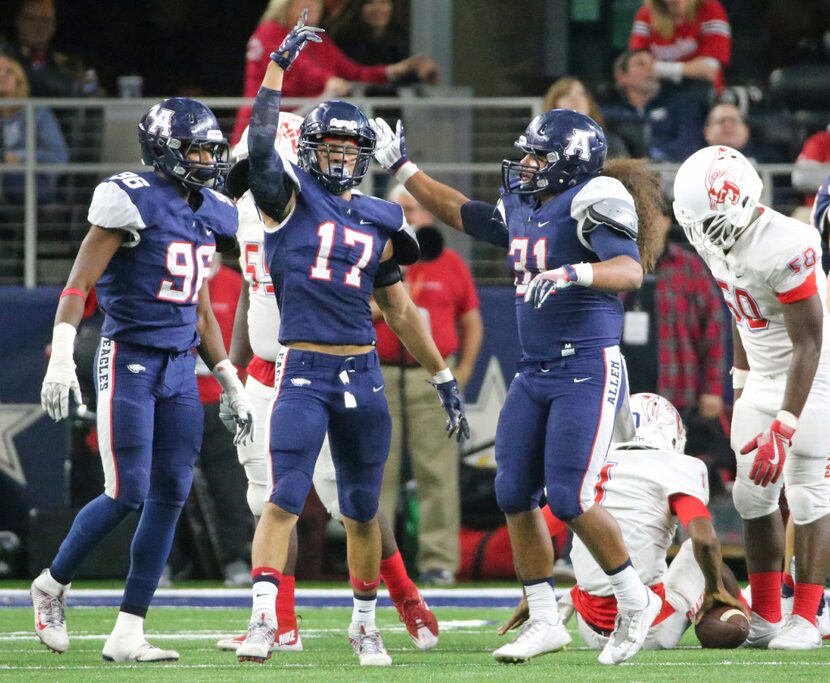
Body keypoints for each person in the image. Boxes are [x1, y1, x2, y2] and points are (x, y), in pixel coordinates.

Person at [369, 107, 668, 666]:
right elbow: (461, 211)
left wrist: (573, 272)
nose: (525, 165)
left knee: (572, 496)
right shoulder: (528, 204)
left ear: (569, 163)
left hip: (586, 365)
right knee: (512, 493)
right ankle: (545, 618)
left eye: (537, 156)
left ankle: (635, 597)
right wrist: (405, 169)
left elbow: (628, 270)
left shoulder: (595, 196)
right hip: (535, 370)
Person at [233, 13, 468, 667]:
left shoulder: (380, 215)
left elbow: (399, 308)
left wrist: (442, 375)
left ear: (363, 157)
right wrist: (276, 69)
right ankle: (262, 620)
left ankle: (365, 623)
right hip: (302, 366)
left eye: (349, 149)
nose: (339, 156)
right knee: (283, 496)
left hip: (362, 372)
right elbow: (258, 147)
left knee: (363, 509)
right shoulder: (286, 198)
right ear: (310, 149)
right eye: (329, 146)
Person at [31, 97, 253, 662]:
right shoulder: (129, 197)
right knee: (126, 490)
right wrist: (61, 356)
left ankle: (129, 630)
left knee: (171, 494)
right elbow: (79, 283)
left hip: (181, 367)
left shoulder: (208, 210)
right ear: (164, 150)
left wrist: (227, 376)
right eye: (197, 149)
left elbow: (201, 308)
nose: (208, 159)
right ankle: (52, 585)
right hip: (128, 354)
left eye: (211, 148)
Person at [214, 113, 440, 653]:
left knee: (352, 499)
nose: (252, 173)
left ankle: (403, 594)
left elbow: (389, 299)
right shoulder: (245, 213)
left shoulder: (322, 211)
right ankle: (279, 620)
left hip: (317, 364)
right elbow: (252, 291)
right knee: (268, 498)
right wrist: (233, 374)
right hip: (266, 370)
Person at [673, 144, 830, 650]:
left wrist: (784, 425)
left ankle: (805, 616)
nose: (704, 235)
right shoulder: (714, 235)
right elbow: (739, 309)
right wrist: (741, 383)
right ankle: (764, 614)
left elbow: (810, 340)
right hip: (762, 374)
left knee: (807, 492)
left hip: (816, 371)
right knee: (750, 494)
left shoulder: (789, 241)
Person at [499, 393, 747, 650]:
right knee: (697, 555)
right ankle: (745, 612)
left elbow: (530, 534)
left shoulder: (588, 468)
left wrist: (533, 592)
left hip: (589, 628)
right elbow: (704, 541)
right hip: (650, 629)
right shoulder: (677, 467)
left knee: (598, 555)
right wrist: (714, 588)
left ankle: (566, 603)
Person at [376, 186, 483, 586]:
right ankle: (376, 561)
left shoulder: (450, 262)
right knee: (377, 471)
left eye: (419, 210)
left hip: (434, 377)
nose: (413, 217)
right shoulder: (375, 252)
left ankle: (438, 560)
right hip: (382, 372)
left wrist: (465, 370)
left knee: (437, 471)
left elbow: (471, 319)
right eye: (404, 209)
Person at [617, 188, 727, 482]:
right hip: (620, 390)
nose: (648, 225)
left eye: (655, 217)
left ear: (668, 221)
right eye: (641, 218)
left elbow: (714, 329)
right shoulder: (614, 263)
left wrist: (712, 389)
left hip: (675, 388)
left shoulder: (688, 267)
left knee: (671, 471)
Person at [230, 0, 439, 143]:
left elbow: (353, 73)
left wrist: (395, 70)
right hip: (264, 127)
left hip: (299, 129)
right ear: (285, 5)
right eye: (303, 1)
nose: (310, 6)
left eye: (315, 1)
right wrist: (328, 81)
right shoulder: (270, 31)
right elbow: (293, 65)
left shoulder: (318, 40)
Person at [191, 255, 252, 587]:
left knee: (229, 484)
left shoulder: (235, 283)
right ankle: (168, 561)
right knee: (168, 485)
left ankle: (236, 558)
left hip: (223, 399)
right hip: (179, 396)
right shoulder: (176, 277)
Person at [601, 49, 707, 162]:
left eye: (653, 64)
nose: (650, 69)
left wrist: (655, 156)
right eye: (640, 64)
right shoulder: (609, 114)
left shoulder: (681, 105)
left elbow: (689, 143)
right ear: (621, 77)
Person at [0, 53, 68, 204]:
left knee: (11, 178)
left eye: (8, 71)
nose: (2, 76)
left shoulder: (37, 113)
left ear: (18, 80)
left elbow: (58, 158)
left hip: (33, 182)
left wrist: (20, 157)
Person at [0, 0, 101, 97]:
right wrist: (70, 85)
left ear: (54, 24)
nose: (38, 26)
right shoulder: (5, 58)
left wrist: (90, 89)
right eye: (30, 19)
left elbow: (91, 98)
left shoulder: (70, 63)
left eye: (45, 19)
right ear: (18, 22)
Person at [629, 0, 731, 91]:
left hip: (700, 90)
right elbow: (637, 61)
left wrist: (659, 68)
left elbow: (709, 69)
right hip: (658, 90)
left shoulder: (710, 8)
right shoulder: (646, 13)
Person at [543, 77, 629, 159]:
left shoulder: (610, 143)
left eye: (580, 94)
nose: (575, 99)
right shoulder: (542, 142)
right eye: (566, 95)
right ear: (554, 103)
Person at [326, 0, 408, 67]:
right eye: (370, 2)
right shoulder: (344, 39)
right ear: (360, 7)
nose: (378, 9)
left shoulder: (403, 37)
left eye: (383, 2)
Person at [703, 103, 786, 165]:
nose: (728, 126)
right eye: (721, 121)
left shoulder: (770, 160)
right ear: (707, 131)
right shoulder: (695, 162)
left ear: (746, 130)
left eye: (733, 121)